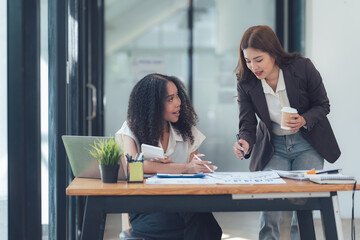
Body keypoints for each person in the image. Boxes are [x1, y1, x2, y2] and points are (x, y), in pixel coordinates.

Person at [232, 25, 340, 240]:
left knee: (302, 204)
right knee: (269, 203)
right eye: (248, 60)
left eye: (259, 59)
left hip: (307, 143)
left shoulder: (302, 68)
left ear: (273, 53)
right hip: (274, 147)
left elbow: (322, 104)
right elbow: (247, 123)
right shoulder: (245, 82)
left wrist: (304, 120)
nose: (253, 66)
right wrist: (244, 141)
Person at [116, 73, 222, 240]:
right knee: (198, 223)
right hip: (147, 208)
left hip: (184, 203)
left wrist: (198, 167)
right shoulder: (132, 127)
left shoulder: (186, 130)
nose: (179, 103)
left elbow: (196, 170)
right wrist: (185, 167)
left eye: (177, 96)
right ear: (153, 105)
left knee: (204, 221)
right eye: (170, 99)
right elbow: (133, 165)